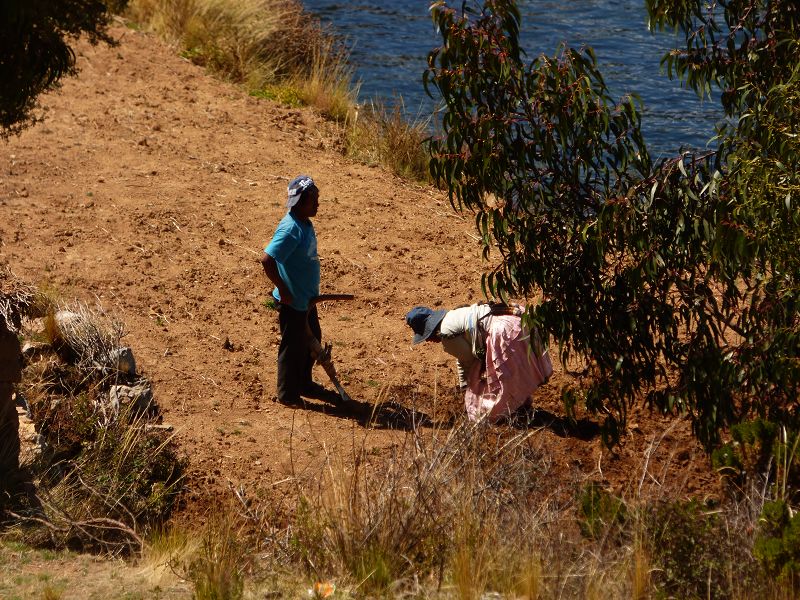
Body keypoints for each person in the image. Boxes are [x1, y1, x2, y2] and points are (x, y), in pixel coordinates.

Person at [405, 302, 553, 422]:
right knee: (513, 374)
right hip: (516, 319)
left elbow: (471, 361)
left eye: (427, 337)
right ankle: (520, 405)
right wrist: (464, 386)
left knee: (505, 379)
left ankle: (506, 412)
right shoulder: (453, 316)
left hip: (504, 332)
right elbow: (462, 358)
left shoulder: (446, 335)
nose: (429, 341)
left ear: (429, 331)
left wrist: (472, 391)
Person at [261, 175, 331, 406]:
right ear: (301, 202)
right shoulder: (291, 229)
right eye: (314, 199)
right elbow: (267, 261)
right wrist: (284, 290)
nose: (318, 203)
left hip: (307, 300)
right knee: (292, 348)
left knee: (312, 340)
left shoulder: (304, 222)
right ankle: (288, 395)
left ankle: (303, 383)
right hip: (294, 302)